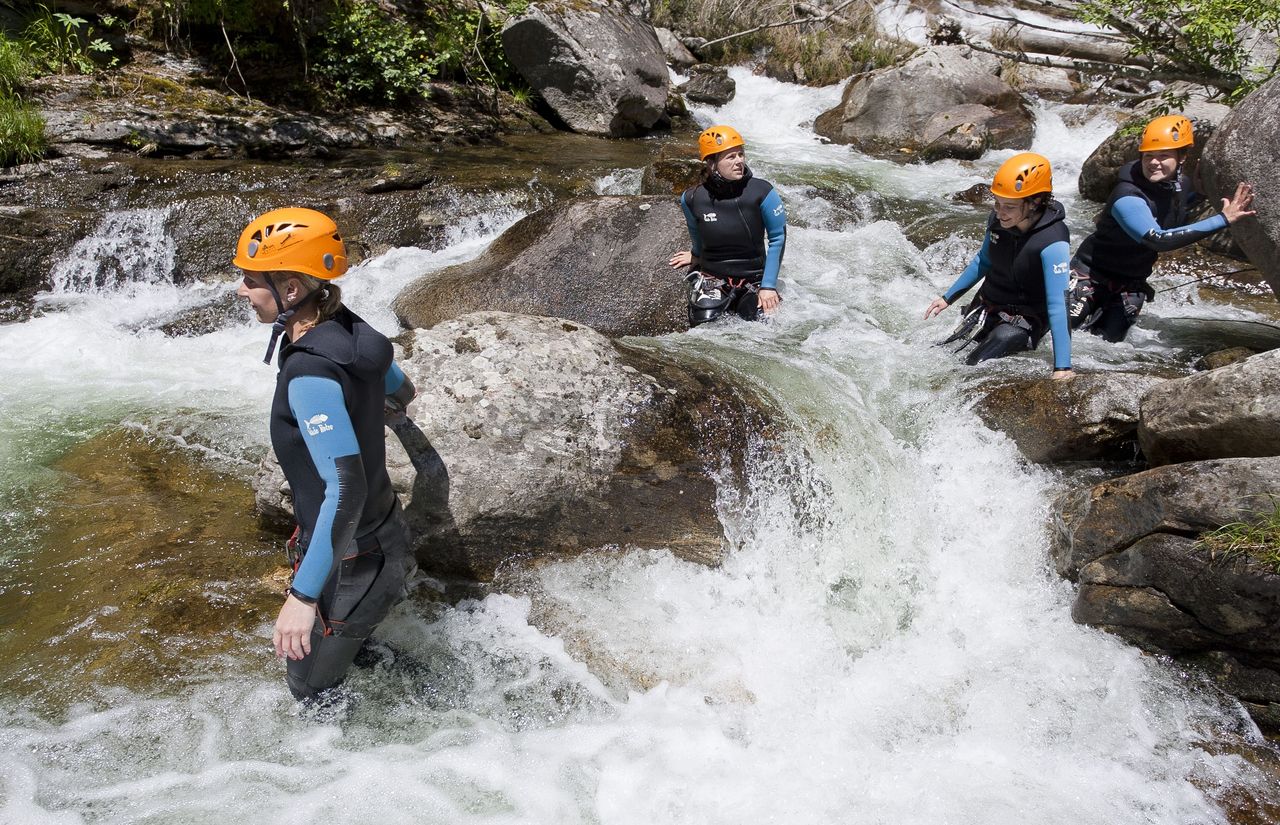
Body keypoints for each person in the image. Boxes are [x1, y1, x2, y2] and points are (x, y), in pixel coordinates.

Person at [234, 207, 417, 702]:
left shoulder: (310, 375)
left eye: (252, 280)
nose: (241, 290)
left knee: (309, 689)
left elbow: (345, 486)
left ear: (291, 290)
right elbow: (401, 391)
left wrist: (302, 596)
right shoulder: (355, 333)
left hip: (353, 560)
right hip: (384, 538)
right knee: (355, 653)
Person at [1069, 114, 1255, 342]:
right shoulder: (1127, 195)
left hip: (1129, 285)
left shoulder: (1181, 186)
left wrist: (1199, 194)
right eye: (1148, 156)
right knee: (1061, 334)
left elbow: (1173, 210)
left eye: (1164, 155)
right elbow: (1158, 238)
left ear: (1182, 157)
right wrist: (1223, 219)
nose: (1154, 162)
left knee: (1110, 343)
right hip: (1089, 277)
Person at [923, 152, 1073, 379]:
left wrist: (1063, 368)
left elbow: (1057, 303)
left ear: (1036, 202)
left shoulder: (1053, 240)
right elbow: (984, 260)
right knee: (938, 356)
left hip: (1023, 322)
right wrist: (947, 298)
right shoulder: (997, 221)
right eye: (997, 203)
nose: (1000, 212)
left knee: (970, 367)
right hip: (989, 307)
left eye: (1009, 207)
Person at [668, 125, 787, 325]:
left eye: (741, 154)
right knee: (702, 325)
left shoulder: (762, 192)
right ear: (712, 163)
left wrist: (768, 286)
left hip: (754, 280)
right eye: (731, 157)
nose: (739, 161)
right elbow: (695, 231)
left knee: (766, 325)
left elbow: (778, 238)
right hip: (713, 279)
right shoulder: (691, 198)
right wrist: (696, 254)